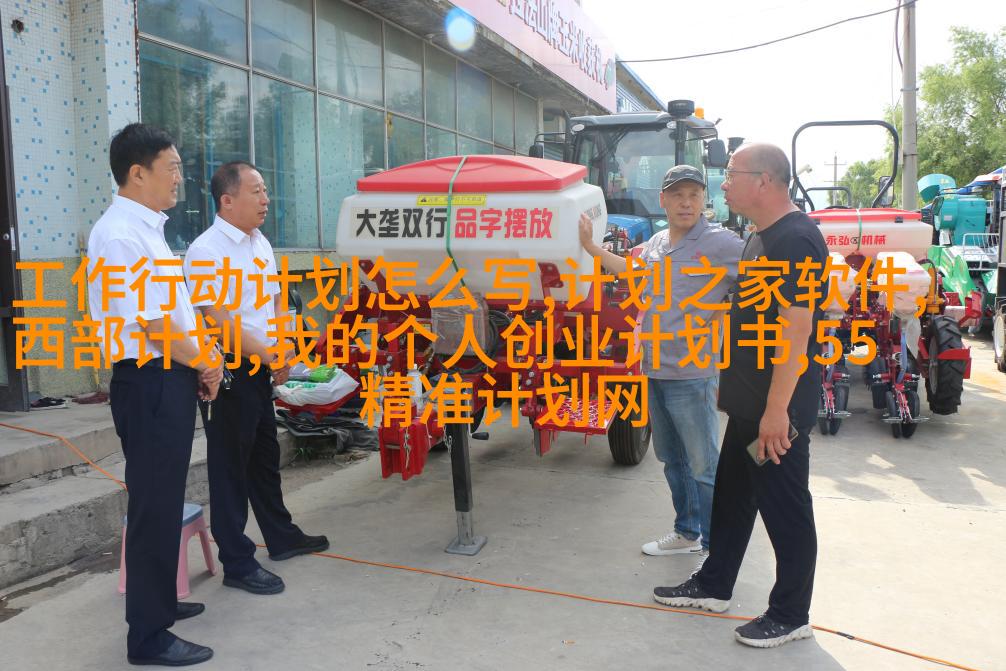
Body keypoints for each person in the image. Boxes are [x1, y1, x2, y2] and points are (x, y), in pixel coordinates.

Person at [652, 144, 827, 649]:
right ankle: (714, 584)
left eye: (731, 174)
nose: (723, 184)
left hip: (777, 411)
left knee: (784, 506)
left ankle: (791, 614)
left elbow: (796, 333)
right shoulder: (758, 237)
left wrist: (777, 412)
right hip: (750, 406)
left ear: (764, 181)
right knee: (732, 497)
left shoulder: (796, 240)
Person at [88, 123, 222, 667]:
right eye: (172, 168)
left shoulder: (147, 230)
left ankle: (160, 601)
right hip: (149, 381)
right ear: (137, 173)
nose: (179, 179)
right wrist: (206, 361)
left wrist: (198, 362)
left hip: (168, 377)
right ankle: (147, 636)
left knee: (165, 498)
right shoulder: (122, 235)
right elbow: (156, 325)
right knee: (152, 505)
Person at [580, 165, 744, 558]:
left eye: (694, 195)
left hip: (692, 374)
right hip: (654, 368)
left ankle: (716, 551)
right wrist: (591, 248)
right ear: (663, 200)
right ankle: (687, 532)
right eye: (677, 195)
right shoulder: (656, 242)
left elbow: (766, 279)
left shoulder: (722, 243)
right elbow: (633, 273)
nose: (686, 203)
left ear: (704, 200)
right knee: (672, 460)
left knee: (704, 466)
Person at [183, 161, 329, 596]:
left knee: (264, 455)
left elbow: (276, 301)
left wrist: (283, 348)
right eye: (257, 191)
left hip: (263, 365)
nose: (266, 200)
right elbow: (217, 319)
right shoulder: (206, 251)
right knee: (230, 466)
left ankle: (281, 536)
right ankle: (237, 560)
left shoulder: (260, 242)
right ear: (227, 200)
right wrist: (269, 353)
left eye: (266, 190)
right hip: (227, 371)